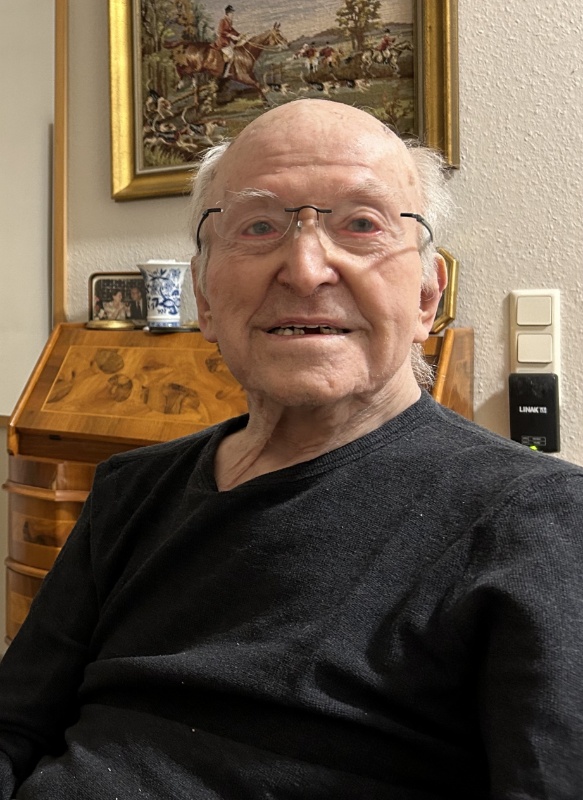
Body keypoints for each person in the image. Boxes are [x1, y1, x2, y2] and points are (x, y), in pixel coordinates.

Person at [0, 99, 582, 799]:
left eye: (362, 225)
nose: (306, 270)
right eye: (258, 226)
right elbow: (15, 726)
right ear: (204, 299)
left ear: (427, 299)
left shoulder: (537, 520)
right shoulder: (130, 489)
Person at [215, 5, 240, 77]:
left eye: (232, 13)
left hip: (227, 43)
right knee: (232, 55)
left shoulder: (229, 22)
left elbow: (232, 30)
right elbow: (220, 31)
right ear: (227, 13)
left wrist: (239, 35)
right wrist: (231, 36)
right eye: (231, 13)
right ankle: (225, 73)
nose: (232, 15)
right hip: (222, 43)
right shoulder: (223, 21)